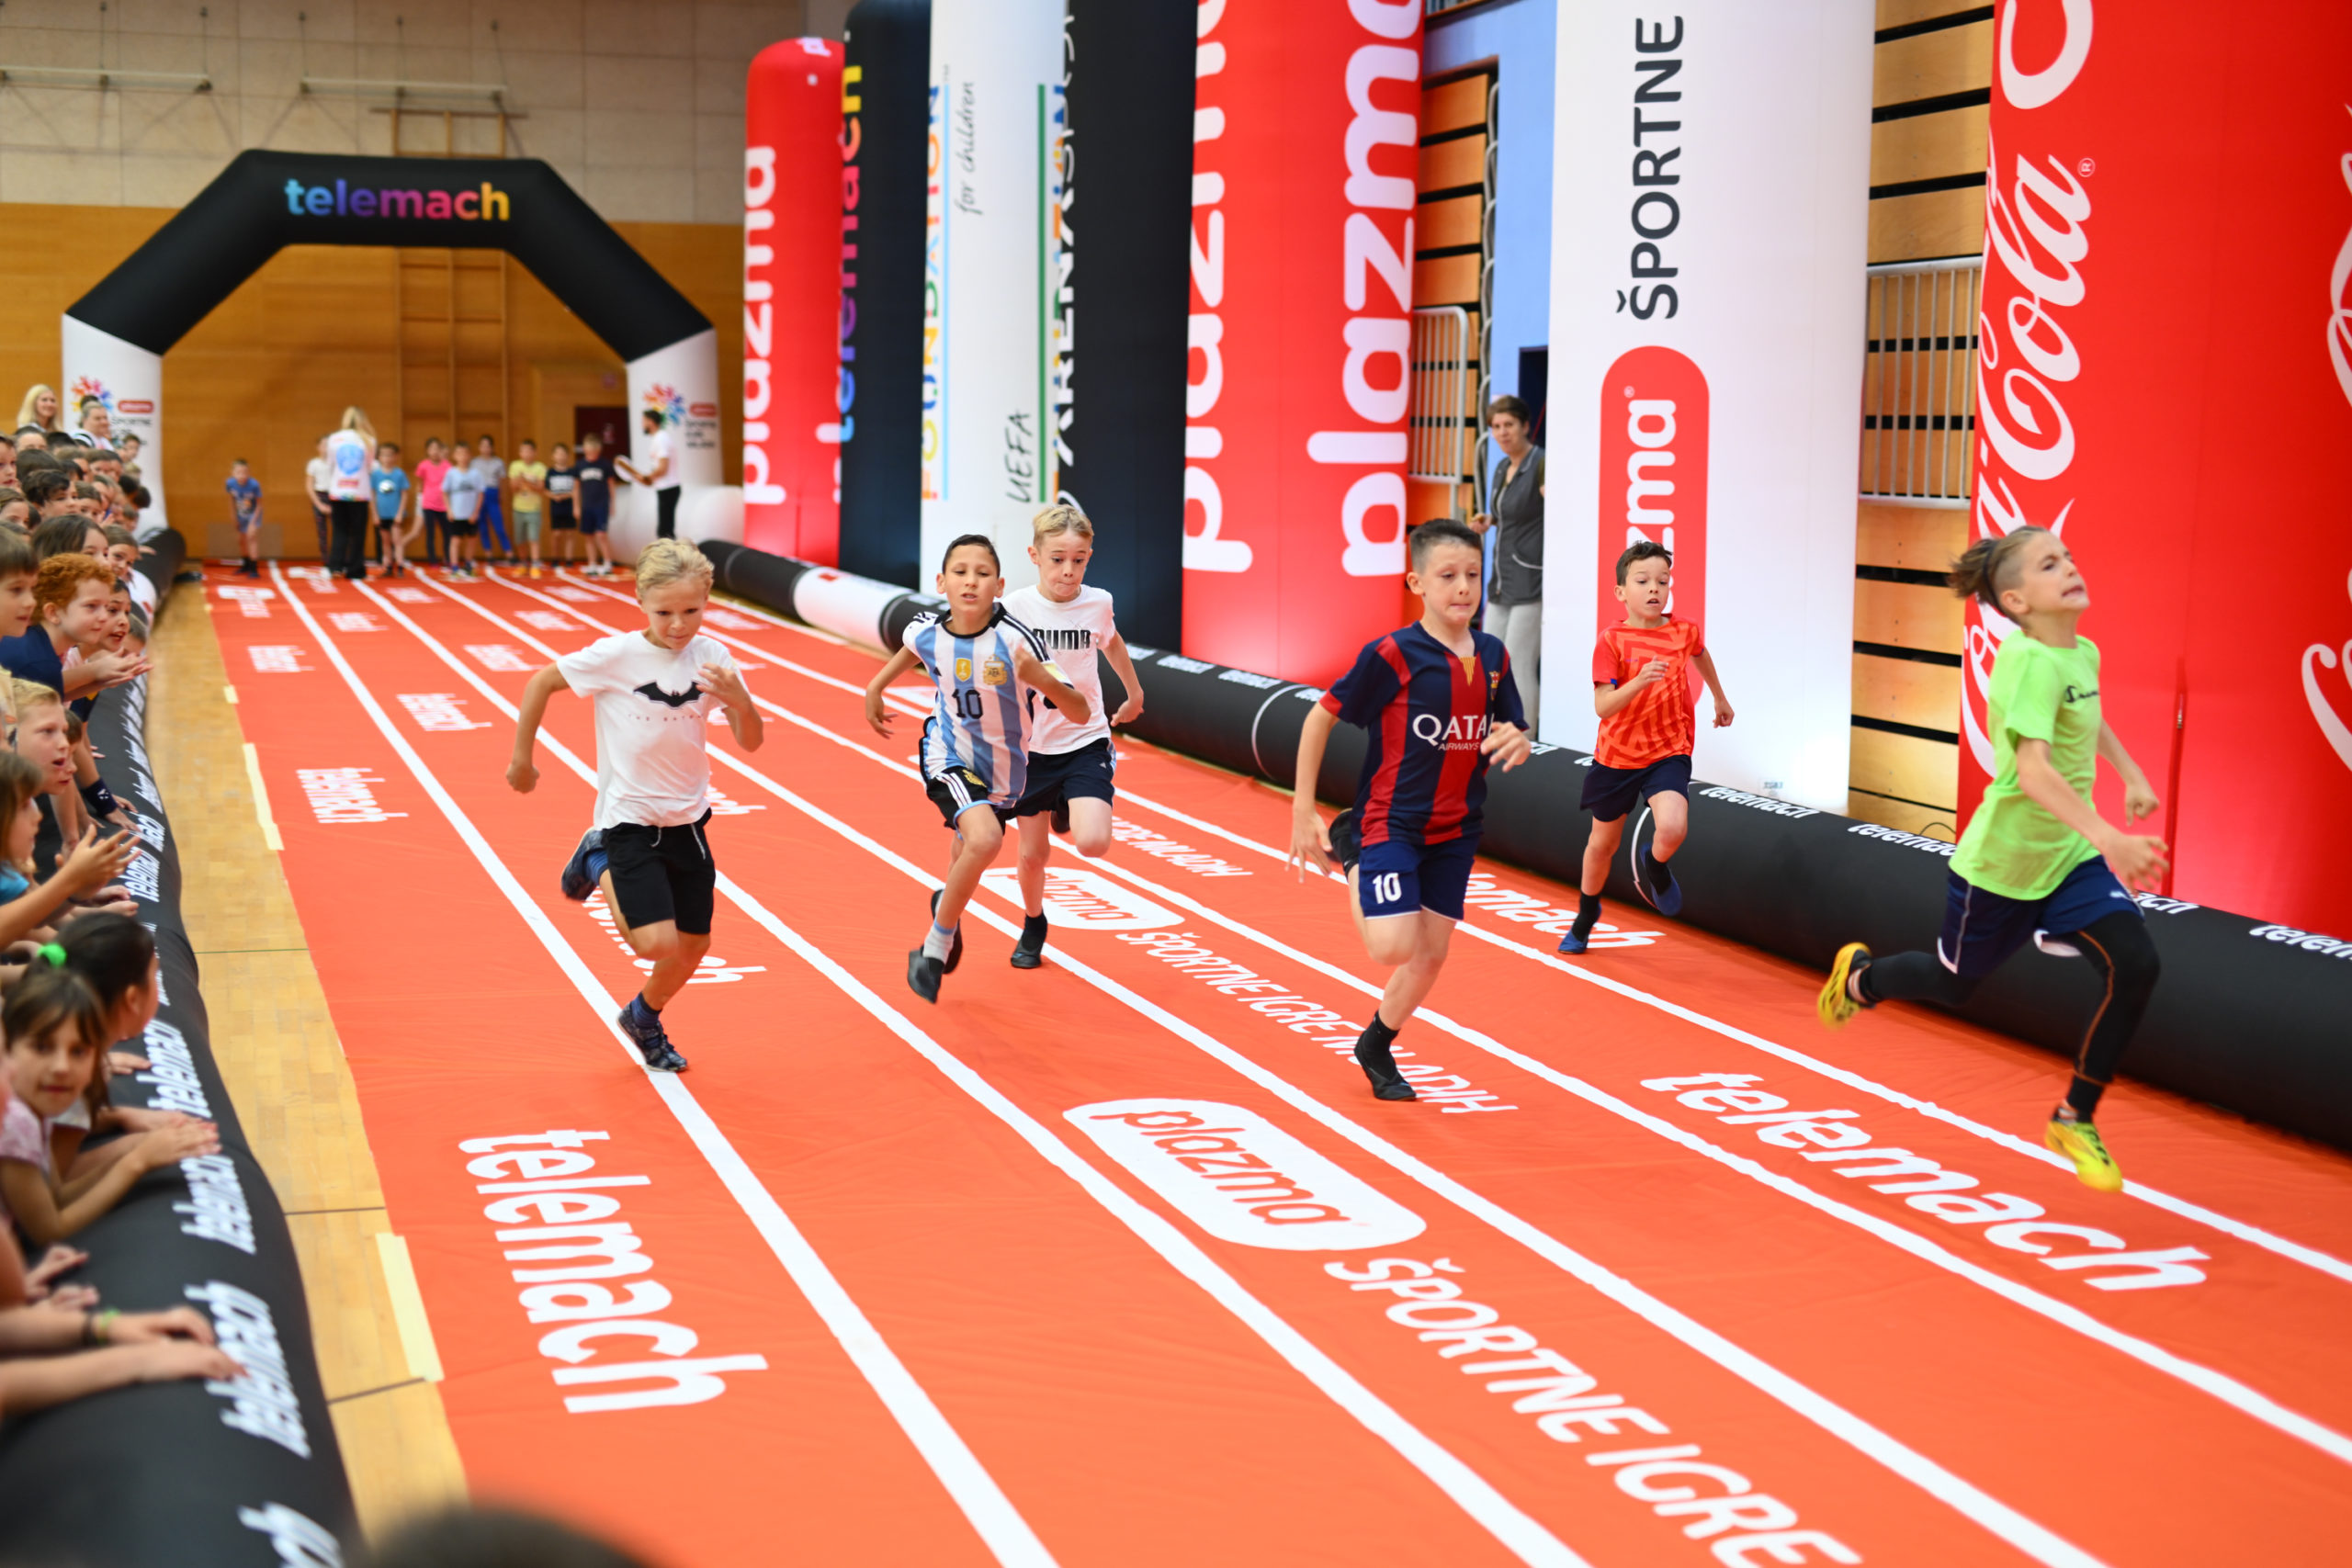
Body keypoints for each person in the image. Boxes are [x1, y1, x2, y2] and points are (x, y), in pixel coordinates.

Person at [1819, 526, 2166, 1192]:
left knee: (2137, 963)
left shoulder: (2080, 651)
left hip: (2068, 859)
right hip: (2002, 870)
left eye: (2067, 556)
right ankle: (1860, 981)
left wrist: (2131, 774)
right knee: (1954, 985)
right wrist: (2109, 835)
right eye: (2049, 564)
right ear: (2016, 600)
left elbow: (2088, 715)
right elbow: (2033, 773)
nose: (2070, 567)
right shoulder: (2028, 661)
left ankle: (2074, 1116)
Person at [1287, 518, 1532, 1100]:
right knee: (1391, 947)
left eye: (1472, 574)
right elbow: (1320, 717)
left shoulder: (1493, 655)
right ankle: (1352, 848)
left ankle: (1376, 1043)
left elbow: (1512, 725)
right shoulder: (1393, 653)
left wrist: (1519, 738)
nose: (1463, 587)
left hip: (1458, 829)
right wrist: (1302, 809)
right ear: (1416, 582)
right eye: (1447, 576)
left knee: (1431, 955)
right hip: (1391, 822)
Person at [508, 540, 763, 1072]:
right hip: (629, 820)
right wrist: (522, 759)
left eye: (691, 610)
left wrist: (741, 702)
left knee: (694, 946)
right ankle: (596, 857)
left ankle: (643, 1017)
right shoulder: (616, 656)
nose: (678, 625)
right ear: (641, 601)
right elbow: (541, 681)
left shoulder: (713, 657)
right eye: (664, 612)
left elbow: (751, 742)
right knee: (654, 945)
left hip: (687, 822)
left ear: (707, 599)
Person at [864, 535, 1090, 1004]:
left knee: (966, 848)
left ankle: (945, 905)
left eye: (983, 574)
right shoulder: (928, 629)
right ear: (941, 582)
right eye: (961, 572)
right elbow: (911, 648)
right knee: (986, 839)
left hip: (1005, 772)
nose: (971, 582)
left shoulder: (1018, 641)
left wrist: (1043, 680)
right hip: (948, 754)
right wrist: (875, 688)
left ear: (999, 586)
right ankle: (934, 946)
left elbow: (1080, 711)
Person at [1557, 540, 1735, 953]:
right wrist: (1638, 682)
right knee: (1602, 845)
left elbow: (1700, 653)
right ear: (1621, 592)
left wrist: (1719, 697)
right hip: (1617, 756)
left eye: (1663, 581)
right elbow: (1603, 706)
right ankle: (1585, 915)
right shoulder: (1611, 640)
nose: (1655, 588)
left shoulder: (1683, 630)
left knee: (1673, 826)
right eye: (1643, 581)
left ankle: (1654, 865)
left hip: (1669, 749)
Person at [1001, 504, 1146, 969]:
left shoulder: (1097, 603)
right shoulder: (1014, 608)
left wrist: (1135, 693)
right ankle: (1033, 922)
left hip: (1085, 737)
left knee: (1093, 843)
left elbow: (1111, 641)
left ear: (1089, 559)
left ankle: (1069, 800)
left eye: (1078, 560)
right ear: (1034, 556)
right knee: (1033, 854)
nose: (1068, 570)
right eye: (1058, 559)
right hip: (1031, 749)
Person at [0, 960, 215, 1245]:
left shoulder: (32, 1110)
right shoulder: (15, 1120)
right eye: (42, 1047)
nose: (61, 1067)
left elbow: (56, 1195)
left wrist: (135, 1150)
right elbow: (49, 1229)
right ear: (8, 1050)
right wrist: (137, 1161)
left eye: (78, 1051)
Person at [1467, 394, 1544, 734]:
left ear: (1525, 426)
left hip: (1530, 579)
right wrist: (1491, 520)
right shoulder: (1501, 467)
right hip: (1500, 579)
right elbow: (1510, 512)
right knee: (1489, 658)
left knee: (1518, 661)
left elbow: (1558, 509)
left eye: (1508, 424)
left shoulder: (1542, 463)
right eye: (1496, 426)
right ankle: (1494, 730)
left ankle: (1524, 737)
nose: (1502, 432)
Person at [323, 407, 375, 581]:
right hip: (359, 492)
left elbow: (330, 464)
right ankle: (355, 569)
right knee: (358, 532)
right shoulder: (368, 440)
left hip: (338, 490)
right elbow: (369, 467)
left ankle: (336, 567)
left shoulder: (334, 438)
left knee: (339, 530)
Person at [615, 409, 679, 541]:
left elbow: (663, 468)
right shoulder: (658, 438)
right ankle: (668, 553)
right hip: (665, 488)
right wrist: (646, 479)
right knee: (665, 530)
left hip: (669, 488)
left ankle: (670, 554)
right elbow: (659, 470)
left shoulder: (661, 438)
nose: (642, 425)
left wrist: (646, 477)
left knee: (665, 531)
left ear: (650, 422)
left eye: (643, 421)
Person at [371, 441, 413, 577]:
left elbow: (404, 494)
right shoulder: (375, 475)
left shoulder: (399, 474)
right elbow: (372, 495)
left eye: (390, 455)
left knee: (397, 540)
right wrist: (375, 514)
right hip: (382, 514)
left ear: (395, 456)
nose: (387, 458)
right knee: (385, 541)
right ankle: (388, 566)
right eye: (384, 455)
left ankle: (400, 565)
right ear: (379, 457)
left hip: (395, 514)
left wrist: (400, 513)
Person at [574, 434, 614, 576]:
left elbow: (611, 485)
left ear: (599, 450)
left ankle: (607, 563)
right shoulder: (580, 465)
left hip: (601, 504)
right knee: (589, 535)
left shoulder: (605, 465)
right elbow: (576, 488)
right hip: (587, 505)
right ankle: (592, 563)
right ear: (585, 449)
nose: (591, 453)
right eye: (589, 450)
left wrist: (612, 504)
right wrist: (576, 506)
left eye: (594, 450)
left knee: (601, 534)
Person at [509, 437, 549, 578]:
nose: (526, 454)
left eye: (528, 451)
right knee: (519, 539)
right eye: (523, 451)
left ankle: (535, 564)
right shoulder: (515, 466)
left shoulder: (540, 468)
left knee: (533, 538)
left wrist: (526, 481)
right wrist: (520, 481)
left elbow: (540, 488)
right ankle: (523, 564)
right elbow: (513, 488)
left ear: (534, 452)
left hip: (534, 509)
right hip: (518, 508)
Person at [471, 434, 512, 563]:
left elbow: (502, 481)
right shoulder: (474, 463)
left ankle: (509, 554)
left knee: (499, 526)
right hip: (480, 495)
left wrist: (502, 496)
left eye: (488, 446)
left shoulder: (498, 462)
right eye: (483, 446)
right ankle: (488, 554)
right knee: (483, 527)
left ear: (492, 448)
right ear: (479, 447)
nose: (485, 449)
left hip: (493, 494)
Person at [441, 456, 482, 577]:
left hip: (471, 514)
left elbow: (481, 493)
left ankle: (468, 565)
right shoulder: (451, 473)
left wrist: (475, 512)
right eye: (460, 453)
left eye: (465, 454)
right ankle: (454, 567)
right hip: (457, 514)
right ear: (455, 456)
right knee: (455, 540)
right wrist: (449, 510)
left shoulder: (475, 473)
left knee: (472, 540)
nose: (463, 457)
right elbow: (444, 492)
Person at [414, 436, 452, 568]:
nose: (434, 451)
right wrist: (419, 501)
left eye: (437, 448)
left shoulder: (447, 466)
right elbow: (419, 484)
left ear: (441, 450)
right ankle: (432, 559)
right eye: (431, 449)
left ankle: (448, 558)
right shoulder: (423, 465)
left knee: (447, 533)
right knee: (430, 533)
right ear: (427, 451)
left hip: (443, 505)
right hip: (428, 504)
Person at [224, 457, 264, 578]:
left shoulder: (254, 485)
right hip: (240, 513)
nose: (242, 475)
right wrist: (233, 516)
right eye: (239, 472)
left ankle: (254, 569)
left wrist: (252, 523)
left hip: (253, 514)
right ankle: (245, 564)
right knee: (241, 540)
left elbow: (259, 505)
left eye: (245, 472)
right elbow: (231, 499)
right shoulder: (230, 483)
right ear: (233, 473)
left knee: (251, 538)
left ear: (249, 472)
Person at [544, 442, 579, 570]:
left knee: (570, 533)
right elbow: (545, 489)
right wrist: (553, 496)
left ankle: (569, 559)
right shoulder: (550, 472)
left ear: (568, 456)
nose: (560, 456)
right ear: (553, 456)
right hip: (556, 506)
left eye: (563, 454)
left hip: (569, 505)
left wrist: (567, 496)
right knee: (556, 534)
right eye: (558, 454)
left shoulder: (572, 472)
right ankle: (555, 558)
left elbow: (575, 489)